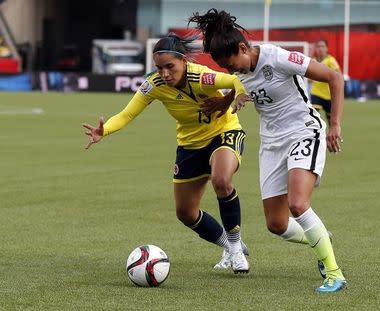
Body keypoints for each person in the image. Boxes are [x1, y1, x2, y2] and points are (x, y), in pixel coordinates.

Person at [189, 9, 347, 292]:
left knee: (298, 204)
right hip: (272, 144)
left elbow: (334, 78)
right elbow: (240, 88)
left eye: (232, 64)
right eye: (226, 68)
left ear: (242, 48)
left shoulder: (279, 57)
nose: (232, 71)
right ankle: (320, 237)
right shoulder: (240, 69)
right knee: (277, 224)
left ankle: (334, 274)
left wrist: (335, 125)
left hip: (303, 132)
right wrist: (224, 103)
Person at [82, 33, 251, 274]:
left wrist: (230, 101)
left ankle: (235, 250)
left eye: (170, 67)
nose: (164, 74)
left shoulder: (202, 76)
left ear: (183, 61)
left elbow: (234, 80)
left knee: (222, 180)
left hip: (223, 133)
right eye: (159, 68)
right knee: (185, 213)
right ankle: (229, 245)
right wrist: (104, 130)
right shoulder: (154, 85)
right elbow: (127, 114)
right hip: (190, 145)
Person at [310, 39, 341, 125]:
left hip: (329, 95)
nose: (320, 49)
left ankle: (331, 137)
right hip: (316, 93)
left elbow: (338, 75)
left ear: (327, 48)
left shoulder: (331, 61)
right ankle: (315, 137)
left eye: (322, 46)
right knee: (313, 117)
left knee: (331, 121)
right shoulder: (313, 61)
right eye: (318, 46)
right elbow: (308, 79)